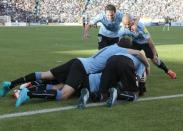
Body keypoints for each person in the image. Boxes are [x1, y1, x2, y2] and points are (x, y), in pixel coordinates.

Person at [0, 37, 149, 107]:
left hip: (78, 61)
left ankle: (10, 84)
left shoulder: (109, 47)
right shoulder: (122, 50)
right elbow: (139, 53)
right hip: (82, 68)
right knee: (64, 94)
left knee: (46, 75)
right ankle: (28, 93)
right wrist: (147, 65)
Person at [78, 37, 149, 108]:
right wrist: (140, 89)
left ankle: (90, 95)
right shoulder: (142, 62)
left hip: (111, 60)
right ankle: (117, 93)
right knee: (134, 94)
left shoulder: (122, 51)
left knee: (103, 93)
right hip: (125, 62)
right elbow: (138, 78)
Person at [118, 14, 176, 79]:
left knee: (155, 60)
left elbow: (150, 42)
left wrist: (154, 54)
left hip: (145, 43)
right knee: (128, 56)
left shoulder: (141, 27)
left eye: (128, 24)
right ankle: (129, 74)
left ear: (132, 21)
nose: (127, 26)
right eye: (125, 24)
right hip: (135, 43)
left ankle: (168, 71)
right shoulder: (124, 27)